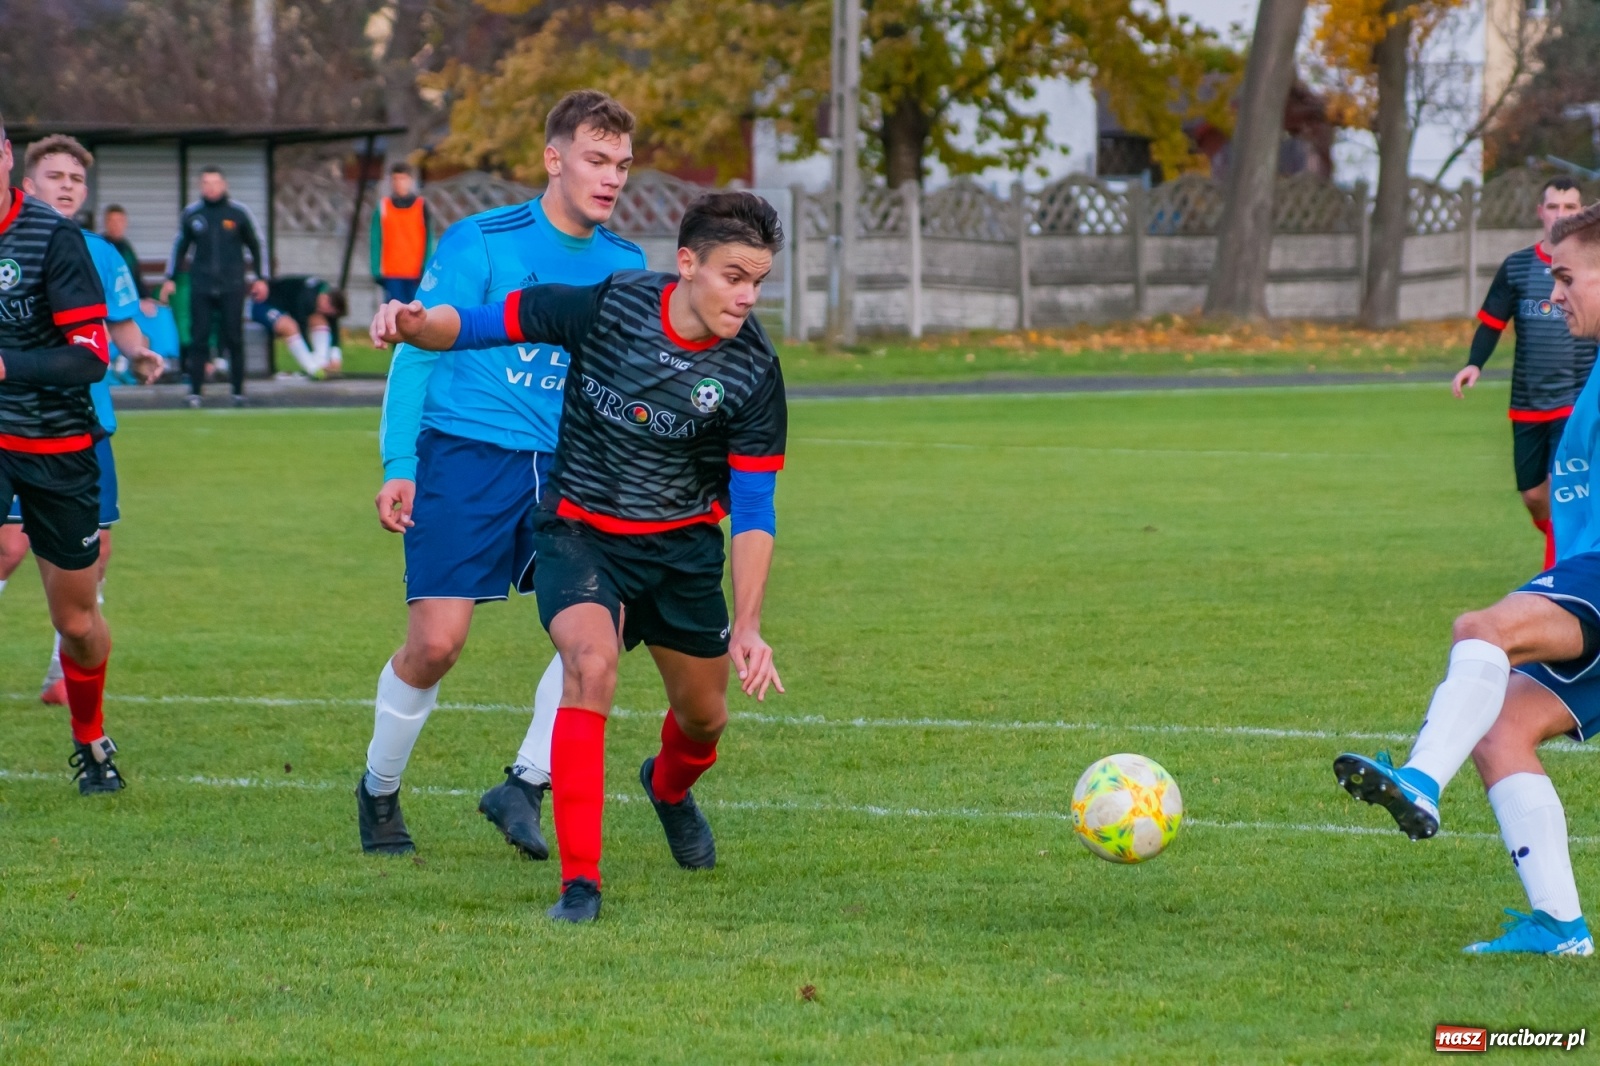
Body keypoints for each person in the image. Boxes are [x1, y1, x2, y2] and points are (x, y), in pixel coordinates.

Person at [371, 190, 789, 923]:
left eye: (758, 280)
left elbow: (754, 508)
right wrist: (413, 322)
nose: (747, 296)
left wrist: (748, 626)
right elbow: (474, 325)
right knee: (590, 664)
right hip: (580, 532)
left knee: (705, 719)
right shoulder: (610, 305)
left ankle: (667, 788)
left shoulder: (753, 371)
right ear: (687, 264)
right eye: (734, 276)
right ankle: (580, 886)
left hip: (682, 549)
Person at [358, 90, 646, 859]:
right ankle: (379, 791)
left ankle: (523, 783)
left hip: (569, 471)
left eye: (621, 163)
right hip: (464, 458)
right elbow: (421, 345)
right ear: (554, 160)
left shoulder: (627, 265)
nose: (611, 177)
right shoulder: (480, 241)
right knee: (438, 645)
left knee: (600, 633)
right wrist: (400, 464)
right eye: (595, 159)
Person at [1333, 202, 1600, 956]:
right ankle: (1560, 926)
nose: (1552, 298)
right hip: (1581, 568)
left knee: (1480, 630)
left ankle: (1418, 779)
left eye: (1567, 277)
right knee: (1503, 730)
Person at [11, 136, 162, 709]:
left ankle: (61, 667)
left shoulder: (99, 252)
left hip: (83, 428)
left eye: (76, 177)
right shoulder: (13, 244)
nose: (68, 185)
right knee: (7, 548)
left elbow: (120, 325)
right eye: (55, 175)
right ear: (27, 180)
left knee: (95, 549)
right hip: (13, 425)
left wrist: (140, 353)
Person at [0, 115, 126, 793]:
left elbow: (91, 361)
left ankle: (90, 737)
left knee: (75, 621)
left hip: (57, 447)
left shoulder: (54, 240)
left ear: (7, 158)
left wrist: (6, 365)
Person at [1452, 177, 1593, 568]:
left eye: (1570, 207)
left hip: (1576, 399)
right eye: (1554, 207)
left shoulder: (1592, 270)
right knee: (1534, 494)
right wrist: (1473, 364)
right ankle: (1563, 540)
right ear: (1540, 212)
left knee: (1565, 488)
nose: (1561, 215)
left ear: (1582, 213)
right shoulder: (1517, 267)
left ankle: (1559, 573)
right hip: (1529, 402)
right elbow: (1492, 322)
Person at [160, 165, 268, 408]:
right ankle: (195, 392)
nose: (210, 188)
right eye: (206, 183)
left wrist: (261, 277)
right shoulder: (193, 215)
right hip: (202, 285)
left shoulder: (238, 213)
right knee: (199, 338)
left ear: (224, 185)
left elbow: (255, 245)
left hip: (232, 285)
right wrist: (171, 278)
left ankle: (238, 391)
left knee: (233, 337)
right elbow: (180, 247)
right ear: (201, 187)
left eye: (215, 183)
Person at [251, 274, 347, 378]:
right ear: (326, 299)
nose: (326, 313)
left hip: (285, 308)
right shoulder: (307, 298)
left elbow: (333, 324)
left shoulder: (324, 293)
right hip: (264, 304)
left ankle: (322, 364)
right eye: (329, 311)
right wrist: (311, 357)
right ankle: (313, 369)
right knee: (289, 326)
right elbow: (302, 329)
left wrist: (335, 355)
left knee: (319, 319)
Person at [370, 164, 435, 306]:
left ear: (410, 180)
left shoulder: (421, 206)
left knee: (416, 314)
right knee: (394, 316)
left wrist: (426, 265)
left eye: (403, 179)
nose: (399, 183)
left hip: (415, 272)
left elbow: (428, 239)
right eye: (395, 179)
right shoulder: (383, 207)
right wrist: (375, 268)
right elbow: (375, 239)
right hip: (391, 271)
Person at [101, 205, 151, 304]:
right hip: (110, 302)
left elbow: (136, 277)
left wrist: (145, 298)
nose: (116, 225)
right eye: (112, 221)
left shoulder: (127, 248)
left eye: (120, 221)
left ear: (125, 223)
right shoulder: (100, 246)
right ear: (106, 223)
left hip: (130, 300)